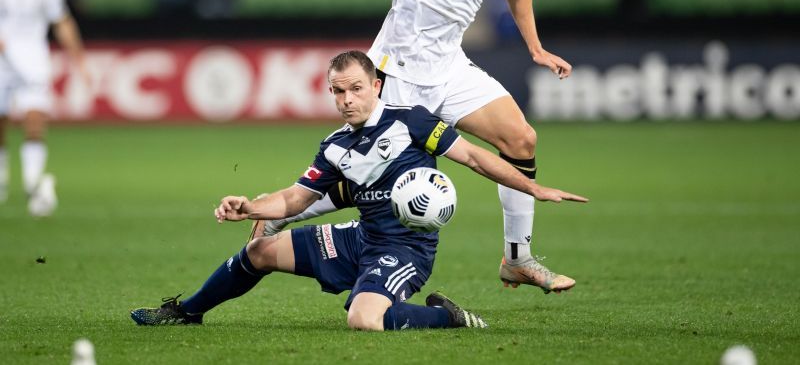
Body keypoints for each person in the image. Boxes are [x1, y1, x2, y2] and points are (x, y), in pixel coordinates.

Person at [253, 0, 579, 295]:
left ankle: (517, 258)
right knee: (364, 175)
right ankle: (281, 212)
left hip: (449, 68)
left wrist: (535, 47)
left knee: (521, 139)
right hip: (398, 75)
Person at [130, 51, 587, 330]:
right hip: (360, 239)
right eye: (337, 91)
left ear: (376, 86)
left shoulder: (412, 121)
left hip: (405, 249)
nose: (346, 99)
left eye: (354, 89)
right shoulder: (334, 146)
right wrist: (250, 205)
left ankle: (446, 316)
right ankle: (187, 311)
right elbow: (295, 199)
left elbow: (472, 157)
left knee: (364, 319)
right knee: (260, 251)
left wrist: (532, 186)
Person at [0, 0, 89, 214]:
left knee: (35, 118)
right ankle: (2, 180)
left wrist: (79, 59)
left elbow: (61, 20)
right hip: (1, 57)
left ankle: (32, 183)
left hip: (32, 57)